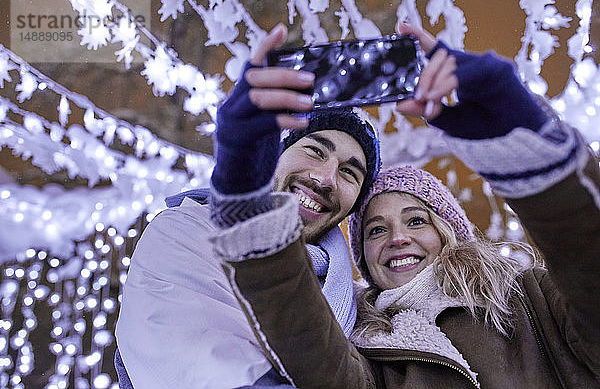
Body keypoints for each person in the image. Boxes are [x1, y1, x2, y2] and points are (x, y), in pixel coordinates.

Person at [210, 23, 600, 388]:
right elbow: (301, 337)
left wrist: (529, 144)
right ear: (361, 255)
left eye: (416, 221)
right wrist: (244, 184)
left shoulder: (532, 299)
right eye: (376, 229)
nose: (397, 238)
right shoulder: (366, 349)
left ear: (448, 232)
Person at [114, 23, 381, 389]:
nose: (325, 179)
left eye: (350, 172)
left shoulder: (351, 295)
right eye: (315, 150)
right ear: (275, 153)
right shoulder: (184, 232)